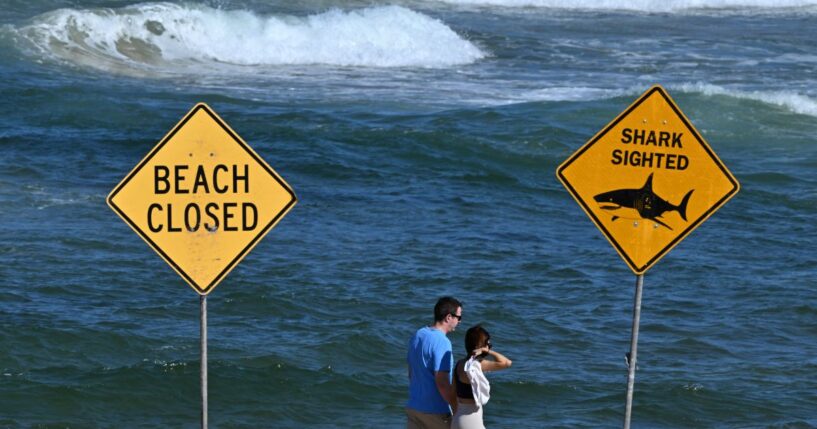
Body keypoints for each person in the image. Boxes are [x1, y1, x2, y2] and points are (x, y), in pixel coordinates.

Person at [406, 297, 463, 429]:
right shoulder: (442, 342)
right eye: (458, 317)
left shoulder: (418, 335)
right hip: (435, 412)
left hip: (414, 407)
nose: (460, 321)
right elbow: (442, 382)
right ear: (449, 317)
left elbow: (411, 372)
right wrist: (456, 409)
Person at [451, 325, 512, 429]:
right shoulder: (478, 365)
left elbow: (452, 393)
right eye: (488, 344)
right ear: (482, 346)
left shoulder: (459, 364)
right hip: (471, 421)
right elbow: (507, 363)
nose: (489, 346)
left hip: (457, 419)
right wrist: (488, 351)